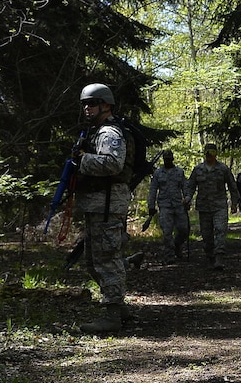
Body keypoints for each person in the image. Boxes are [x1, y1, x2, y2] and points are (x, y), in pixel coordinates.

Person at [72, 83, 133, 334]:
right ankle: (119, 309)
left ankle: (113, 315)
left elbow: (113, 164)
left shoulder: (109, 133)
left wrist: (82, 159)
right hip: (98, 205)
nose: (87, 108)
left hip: (108, 205)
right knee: (93, 262)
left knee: (107, 261)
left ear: (106, 105)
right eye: (85, 104)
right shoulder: (96, 132)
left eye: (93, 103)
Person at [184, 143, 239, 270]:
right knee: (206, 234)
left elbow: (232, 186)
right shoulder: (198, 169)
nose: (210, 155)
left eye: (212, 153)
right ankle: (210, 257)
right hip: (204, 207)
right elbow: (190, 186)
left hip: (219, 206)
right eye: (208, 153)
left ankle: (219, 258)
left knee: (220, 230)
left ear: (216, 154)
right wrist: (187, 197)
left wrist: (234, 203)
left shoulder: (223, 169)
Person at [147, 149, 189, 264]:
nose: (167, 161)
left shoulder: (179, 172)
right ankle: (170, 255)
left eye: (169, 159)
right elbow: (153, 190)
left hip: (179, 205)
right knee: (167, 232)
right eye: (165, 159)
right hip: (164, 206)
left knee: (184, 229)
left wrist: (187, 198)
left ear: (173, 159)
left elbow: (185, 187)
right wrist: (151, 206)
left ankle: (177, 246)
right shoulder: (158, 173)